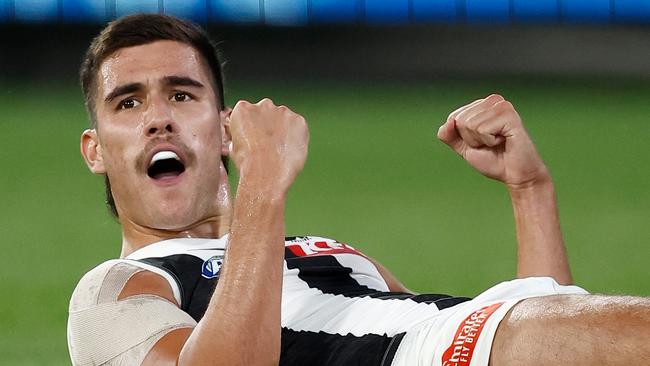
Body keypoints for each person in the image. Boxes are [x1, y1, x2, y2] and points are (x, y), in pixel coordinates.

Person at [67, 13, 649, 366]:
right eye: (129, 102)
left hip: (465, 334)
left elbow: (548, 323)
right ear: (96, 150)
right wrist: (263, 185)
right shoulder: (120, 288)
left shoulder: (330, 255)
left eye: (182, 94)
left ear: (223, 128)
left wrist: (529, 190)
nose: (158, 118)